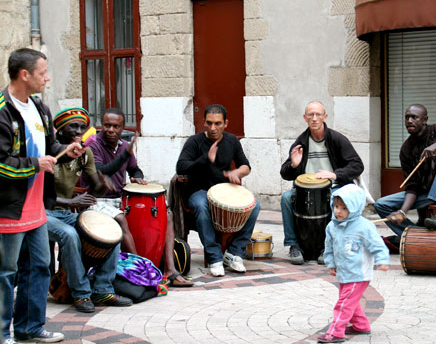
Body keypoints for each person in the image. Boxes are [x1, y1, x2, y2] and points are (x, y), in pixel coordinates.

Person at [0, 48, 83, 344]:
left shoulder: (40, 108)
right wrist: (36, 164)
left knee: (39, 267)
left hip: (37, 206)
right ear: (25, 75)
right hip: (9, 208)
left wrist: (65, 150)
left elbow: (49, 145)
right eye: (43, 72)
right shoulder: (2, 111)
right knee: (6, 272)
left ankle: (30, 327)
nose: (47, 77)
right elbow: (1, 163)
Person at [82, 108, 193, 286]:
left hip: (119, 198)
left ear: (122, 128)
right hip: (96, 200)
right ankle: (142, 270)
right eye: (107, 125)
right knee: (122, 219)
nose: (111, 130)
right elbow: (102, 170)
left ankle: (170, 270)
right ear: (101, 125)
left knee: (167, 214)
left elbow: (134, 168)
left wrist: (137, 176)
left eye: (116, 126)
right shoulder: (93, 146)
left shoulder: (124, 147)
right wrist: (124, 156)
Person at [45, 107, 133, 313]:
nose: (78, 131)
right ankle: (81, 293)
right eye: (72, 126)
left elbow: (96, 185)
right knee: (70, 235)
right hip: (43, 213)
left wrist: (103, 183)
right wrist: (71, 201)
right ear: (59, 132)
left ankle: (103, 288)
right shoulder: (50, 153)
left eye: (82, 127)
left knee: (110, 230)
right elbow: (41, 196)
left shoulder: (85, 154)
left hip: (66, 213)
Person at [176, 104, 260, 277]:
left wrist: (237, 172)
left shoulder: (232, 141)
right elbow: (181, 166)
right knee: (201, 205)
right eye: (209, 123)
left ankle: (234, 253)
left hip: (225, 190)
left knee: (255, 205)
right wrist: (205, 159)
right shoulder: (194, 142)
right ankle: (215, 257)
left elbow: (246, 166)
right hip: (199, 190)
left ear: (225, 123)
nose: (213, 128)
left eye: (218, 123)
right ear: (204, 123)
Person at [280, 101, 364, 265]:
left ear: (325, 117)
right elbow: (284, 173)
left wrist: (334, 174)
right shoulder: (301, 141)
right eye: (310, 115)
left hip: (334, 187)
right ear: (305, 118)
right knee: (286, 198)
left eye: (318, 114)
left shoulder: (337, 139)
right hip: (306, 191)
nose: (314, 118)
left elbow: (357, 165)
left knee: (335, 199)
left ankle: (328, 246)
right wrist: (294, 165)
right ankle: (293, 244)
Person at [374, 104, 436, 240]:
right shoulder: (406, 149)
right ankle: (413, 236)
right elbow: (412, 187)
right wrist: (402, 211)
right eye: (407, 117)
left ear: (425, 119)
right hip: (429, 193)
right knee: (381, 204)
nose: (409, 121)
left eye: (414, 117)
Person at [318, 184, 389, 344]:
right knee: (351, 301)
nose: (338, 211)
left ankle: (336, 332)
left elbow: (376, 244)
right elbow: (329, 247)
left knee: (344, 303)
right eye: (336, 206)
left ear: (355, 208)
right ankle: (361, 325)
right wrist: (330, 263)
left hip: (359, 274)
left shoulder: (364, 226)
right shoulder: (332, 226)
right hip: (344, 272)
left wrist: (382, 260)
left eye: (344, 208)